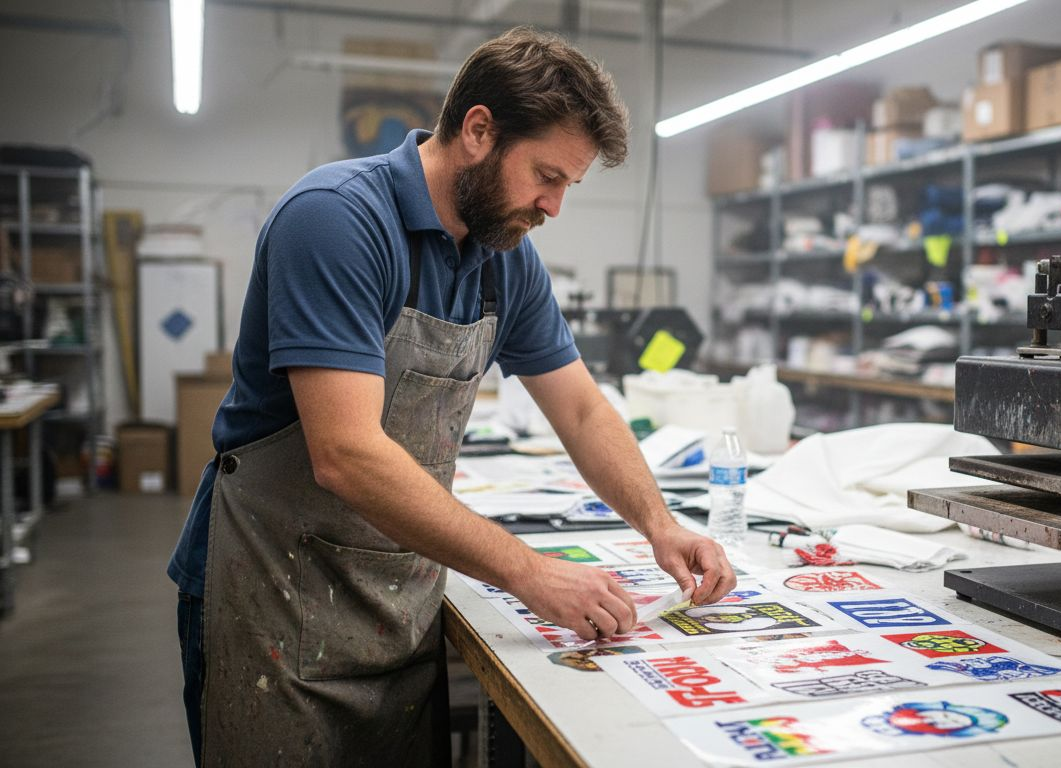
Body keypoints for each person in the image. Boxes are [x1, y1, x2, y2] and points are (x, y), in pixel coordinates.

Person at [167, 27, 736, 767]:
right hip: (274, 594)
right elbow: (346, 453)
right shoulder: (338, 220)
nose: (554, 205)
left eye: (568, 185)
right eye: (547, 176)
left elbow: (583, 409)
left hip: (396, 599)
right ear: (477, 131)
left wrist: (661, 525)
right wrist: (528, 570)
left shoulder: (505, 260)